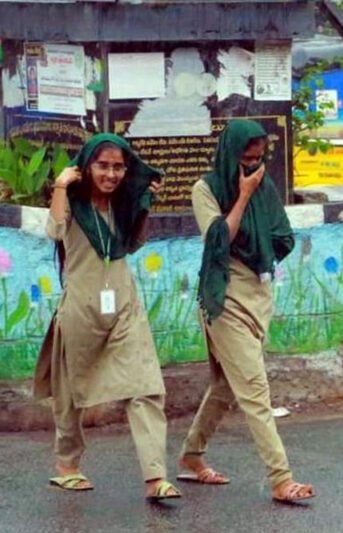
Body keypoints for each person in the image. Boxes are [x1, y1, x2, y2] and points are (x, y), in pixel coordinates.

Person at [34, 133, 181, 501]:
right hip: (81, 310)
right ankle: (67, 466)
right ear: (86, 167)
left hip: (124, 307)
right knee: (70, 393)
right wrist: (60, 186)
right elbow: (54, 230)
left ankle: (155, 477)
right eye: (103, 165)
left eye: (118, 167)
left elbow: (133, 244)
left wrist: (145, 202)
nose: (111, 174)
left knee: (145, 385)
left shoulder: (122, 204)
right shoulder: (74, 204)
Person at [177, 120, 315, 504]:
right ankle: (281, 479)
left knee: (225, 387)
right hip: (223, 298)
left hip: (258, 295)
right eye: (245, 160)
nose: (252, 167)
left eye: (257, 159)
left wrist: (259, 239)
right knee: (255, 390)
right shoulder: (205, 189)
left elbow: (282, 237)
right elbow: (218, 239)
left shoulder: (264, 186)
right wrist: (242, 197)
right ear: (229, 155)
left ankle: (191, 456)